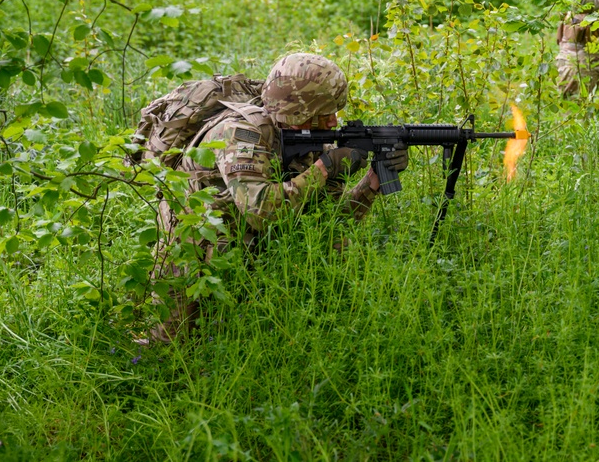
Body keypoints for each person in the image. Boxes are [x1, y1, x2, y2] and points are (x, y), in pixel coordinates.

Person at [146, 53, 407, 342]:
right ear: (297, 113)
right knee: (170, 350)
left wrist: (370, 184)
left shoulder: (311, 137)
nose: (334, 120)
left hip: (245, 247)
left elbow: (330, 223)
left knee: (240, 342)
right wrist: (325, 168)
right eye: (325, 113)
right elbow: (261, 211)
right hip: (192, 248)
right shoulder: (241, 133)